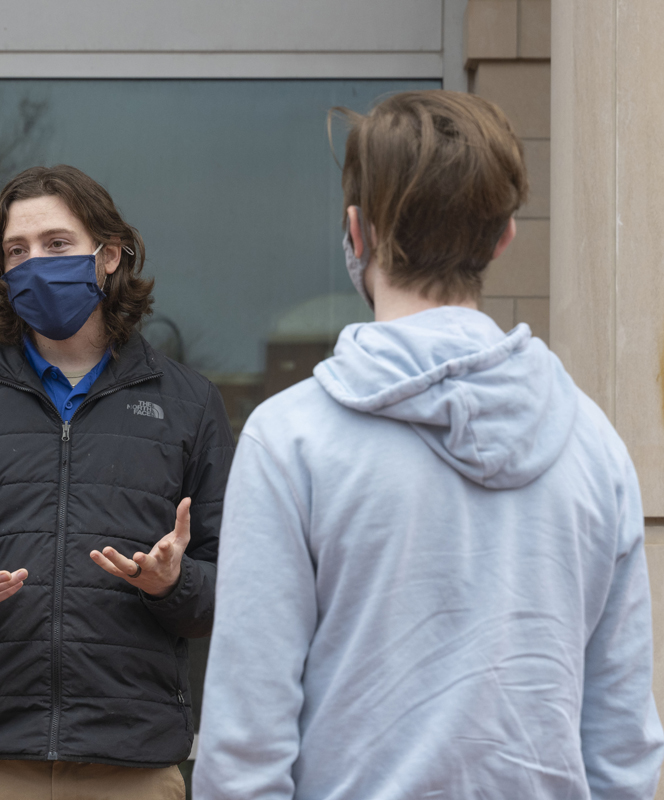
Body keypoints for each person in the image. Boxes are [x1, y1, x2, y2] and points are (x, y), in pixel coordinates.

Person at [193, 90, 664, 799]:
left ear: (357, 233)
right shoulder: (596, 448)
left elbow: (245, 750)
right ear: (504, 237)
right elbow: (624, 753)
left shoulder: (291, 439)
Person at [0, 165, 234, 799]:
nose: (35, 262)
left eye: (57, 244)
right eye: (17, 250)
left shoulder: (189, 404)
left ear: (109, 256)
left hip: (131, 765)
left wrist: (175, 583)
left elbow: (236, 590)